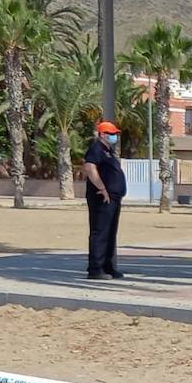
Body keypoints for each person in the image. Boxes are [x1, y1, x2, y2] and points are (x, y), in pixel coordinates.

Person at [83, 119, 127, 280]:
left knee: (110, 233)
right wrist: (102, 188)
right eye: (111, 134)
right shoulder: (96, 149)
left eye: (115, 134)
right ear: (102, 134)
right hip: (102, 197)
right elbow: (89, 167)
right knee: (100, 232)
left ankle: (108, 266)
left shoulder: (108, 151)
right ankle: (95, 268)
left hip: (114, 197)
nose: (114, 136)